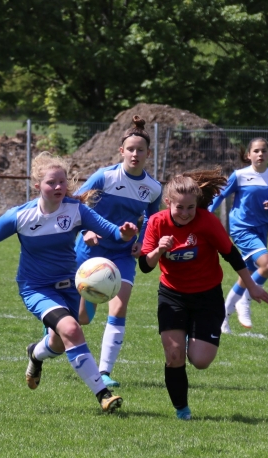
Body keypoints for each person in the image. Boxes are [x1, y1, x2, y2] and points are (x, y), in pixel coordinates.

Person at [0, 153, 138, 415]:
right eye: (51, 182)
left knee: (59, 343)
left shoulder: (76, 210)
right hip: (36, 287)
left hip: (70, 286)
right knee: (71, 329)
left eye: (62, 182)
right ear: (37, 185)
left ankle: (35, 354)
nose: (58, 187)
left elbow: (112, 232)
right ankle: (103, 395)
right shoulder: (21, 216)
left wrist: (124, 233)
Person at [140, 171, 268, 420]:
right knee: (174, 355)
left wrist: (252, 286)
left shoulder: (207, 221)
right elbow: (145, 266)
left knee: (200, 361)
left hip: (207, 296)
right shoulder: (157, 223)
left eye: (191, 207)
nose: (186, 213)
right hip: (172, 295)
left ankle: (193, 335)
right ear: (168, 202)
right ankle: (182, 410)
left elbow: (231, 254)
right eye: (180, 207)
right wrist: (159, 249)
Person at [73, 115, 162, 388]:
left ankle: (105, 372)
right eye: (130, 149)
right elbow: (76, 204)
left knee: (120, 305)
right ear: (121, 151)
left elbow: (152, 219)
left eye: (140, 150)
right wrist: (85, 232)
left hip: (122, 253)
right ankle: (54, 325)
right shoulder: (105, 176)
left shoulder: (153, 188)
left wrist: (143, 243)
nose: (135, 154)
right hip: (92, 250)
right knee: (83, 318)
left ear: (148, 154)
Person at [210, 138, 268, 332]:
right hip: (242, 229)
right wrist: (207, 213)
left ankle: (223, 318)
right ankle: (245, 300)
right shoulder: (239, 175)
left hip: (261, 230)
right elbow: (220, 195)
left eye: (264, 151)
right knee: (267, 265)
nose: (260, 154)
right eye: (256, 151)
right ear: (249, 155)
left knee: (248, 276)